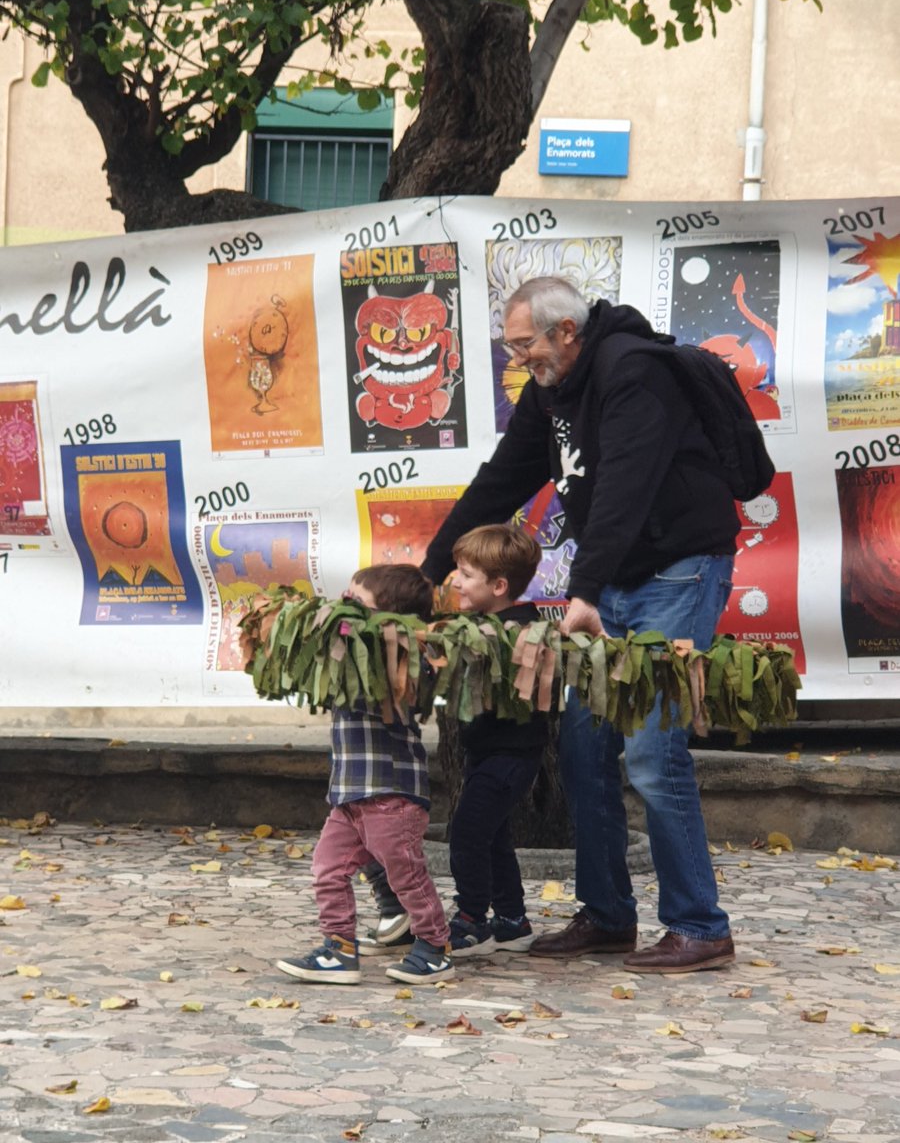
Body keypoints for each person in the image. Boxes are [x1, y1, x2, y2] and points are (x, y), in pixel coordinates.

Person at [421, 275, 740, 974]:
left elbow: (626, 487)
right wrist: (428, 572)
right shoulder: (550, 391)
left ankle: (699, 924)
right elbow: (501, 479)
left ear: (567, 331)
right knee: (583, 747)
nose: (520, 359)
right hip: (617, 579)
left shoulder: (634, 372)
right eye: (511, 348)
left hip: (678, 569)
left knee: (654, 753)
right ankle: (606, 916)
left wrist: (585, 588)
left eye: (525, 344)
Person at [276, 564, 454, 986]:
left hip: (392, 795)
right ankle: (338, 949)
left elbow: (424, 674)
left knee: (405, 873)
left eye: (355, 602)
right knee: (326, 868)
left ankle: (435, 947)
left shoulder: (402, 659)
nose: (343, 607)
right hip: (349, 796)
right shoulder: (342, 657)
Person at [444, 524, 551, 958]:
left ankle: (472, 920)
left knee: (467, 834)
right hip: (485, 751)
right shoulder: (480, 625)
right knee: (493, 836)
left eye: (466, 574)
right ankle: (512, 921)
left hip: (511, 755)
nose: (455, 580)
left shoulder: (521, 629)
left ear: (499, 585)